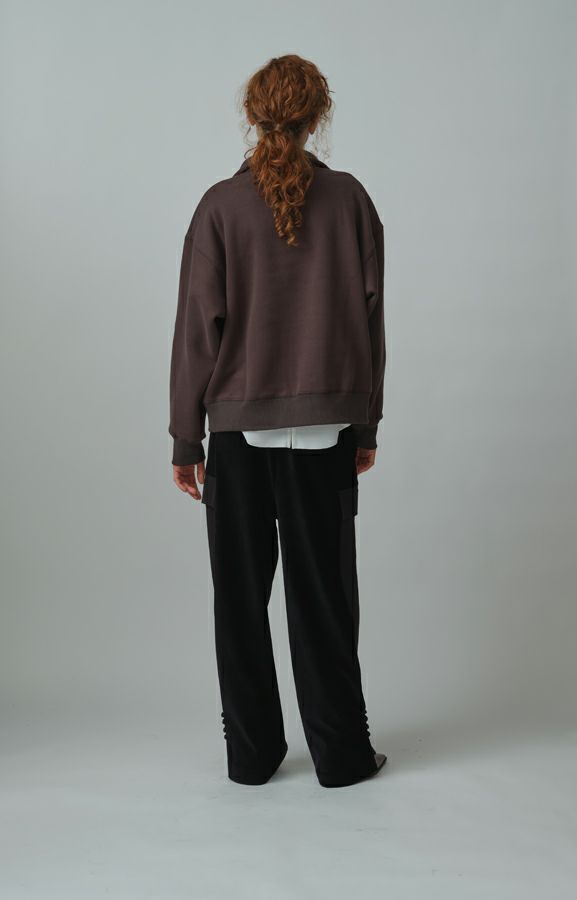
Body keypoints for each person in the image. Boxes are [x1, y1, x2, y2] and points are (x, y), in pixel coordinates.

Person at [168, 54, 387, 788]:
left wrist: (185, 437)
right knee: (325, 598)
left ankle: (252, 755)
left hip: (236, 435)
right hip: (326, 434)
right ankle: (342, 757)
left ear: (253, 114)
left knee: (239, 600)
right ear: (318, 114)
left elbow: (196, 333)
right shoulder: (350, 200)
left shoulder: (219, 208)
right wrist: (364, 425)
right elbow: (370, 325)